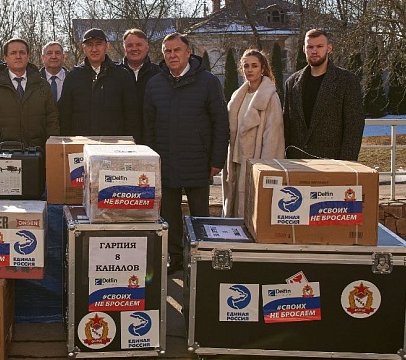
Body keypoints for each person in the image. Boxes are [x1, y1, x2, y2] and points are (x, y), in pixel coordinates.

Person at [143, 33, 228, 274]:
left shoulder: (208, 82)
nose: (172, 55)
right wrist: (151, 162)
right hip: (166, 162)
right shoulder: (155, 84)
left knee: (200, 217)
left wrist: (217, 160)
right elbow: (148, 126)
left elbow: (220, 123)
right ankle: (175, 257)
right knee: (169, 215)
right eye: (167, 51)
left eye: (177, 50)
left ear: (188, 52)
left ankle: (202, 259)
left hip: (198, 162)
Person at [283, 28, 365, 160]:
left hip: (333, 163)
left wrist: (346, 164)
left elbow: (354, 127)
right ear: (304, 49)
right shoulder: (291, 83)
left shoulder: (347, 81)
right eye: (310, 47)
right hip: (298, 162)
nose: (314, 51)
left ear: (329, 48)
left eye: (319, 46)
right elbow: (287, 125)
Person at [222, 49, 285, 218]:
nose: (249, 70)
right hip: (235, 160)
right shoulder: (238, 96)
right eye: (246, 66)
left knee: (252, 210)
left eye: (254, 66)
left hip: (255, 162)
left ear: (263, 68)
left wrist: (265, 168)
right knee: (234, 207)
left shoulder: (270, 97)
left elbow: (273, 136)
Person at [0, 38, 60, 149]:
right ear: (5, 58)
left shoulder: (42, 85)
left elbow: (52, 121)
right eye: (13, 53)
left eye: (22, 53)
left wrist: (52, 150)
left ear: (28, 56)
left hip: (36, 152)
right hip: (1, 153)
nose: (18, 56)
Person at [59, 28, 139, 140]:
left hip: (115, 144)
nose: (94, 49)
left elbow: (132, 116)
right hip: (81, 143)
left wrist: (129, 143)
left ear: (107, 46)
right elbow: (64, 116)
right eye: (89, 45)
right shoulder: (73, 77)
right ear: (83, 48)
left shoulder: (122, 75)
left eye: (98, 44)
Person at [119, 29, 160, 115]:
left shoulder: (159, 74)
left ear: (147, 47)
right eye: (129, 45)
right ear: (124, 49)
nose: (134, 49)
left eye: (139, 45)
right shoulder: (114, 74)